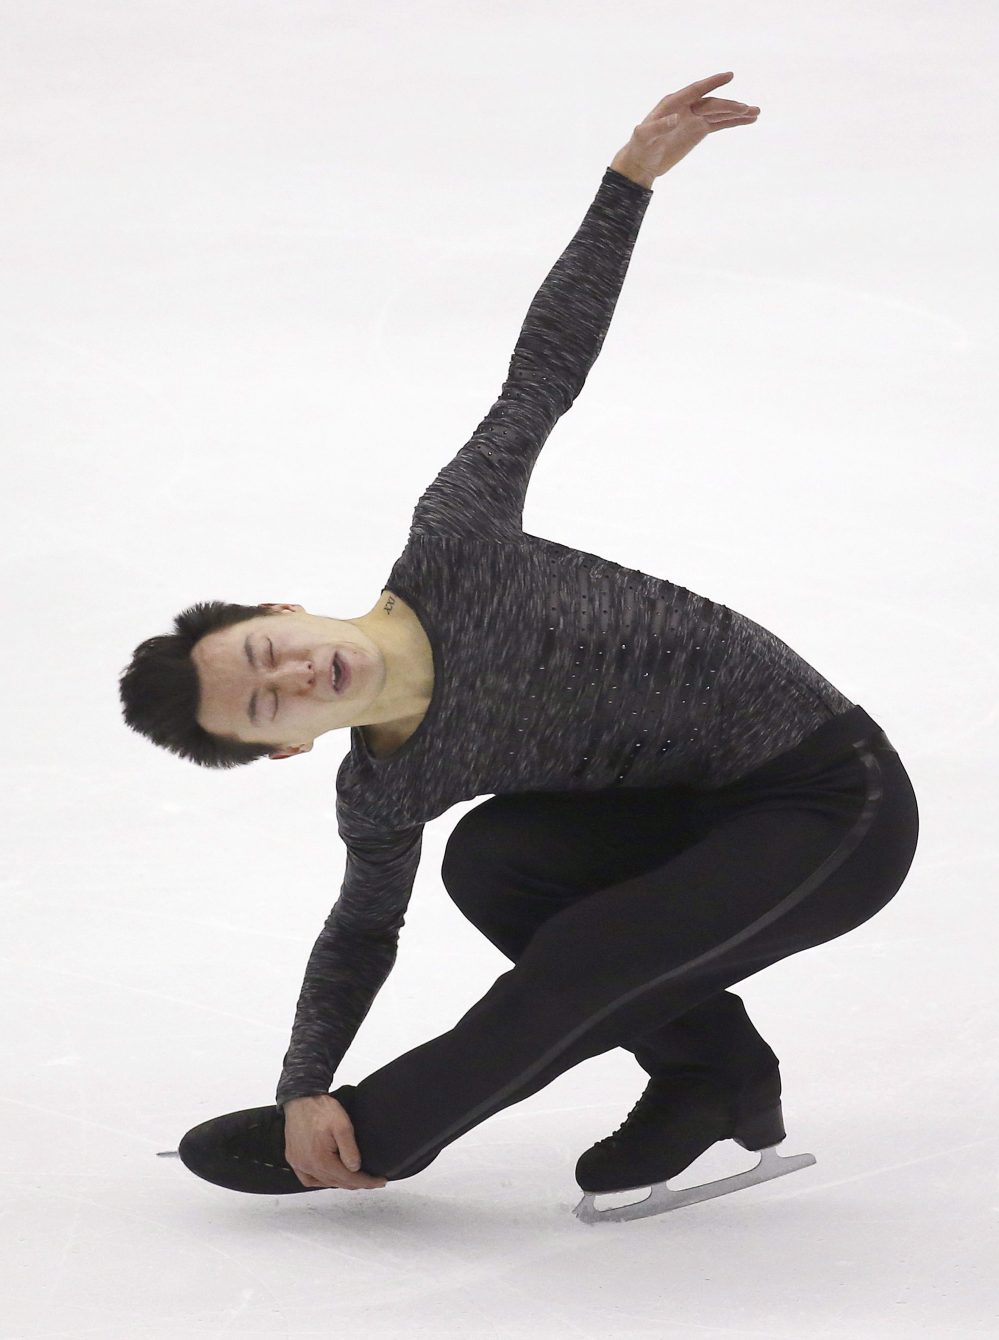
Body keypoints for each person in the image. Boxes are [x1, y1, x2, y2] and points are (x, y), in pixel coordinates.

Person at [120, 73, 919, 1220]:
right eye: (266, 706)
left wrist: (628, 182)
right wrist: (296, 1080)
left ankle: (376, 1134)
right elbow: (359, 935)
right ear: (288, 747)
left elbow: (543, 369)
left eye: (266, 650)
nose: (293, 675)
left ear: (284, 608)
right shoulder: (384, 786)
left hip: (830, 799)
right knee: (493, 859)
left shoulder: (454, 540)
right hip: (704, 818)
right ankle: (715, 1074)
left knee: (587, 949)